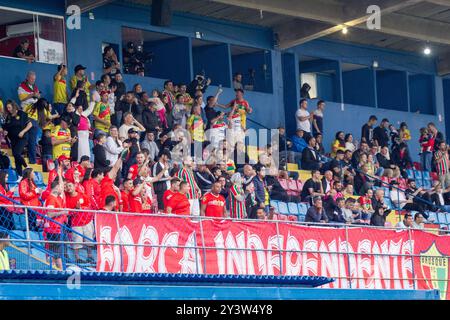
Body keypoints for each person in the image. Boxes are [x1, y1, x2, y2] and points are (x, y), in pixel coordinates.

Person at [65, 180, 94, 263]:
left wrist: (81, 209)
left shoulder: (82, 195)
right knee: (77, 240)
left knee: (89, 240)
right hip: (76, 223)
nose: (68, 188)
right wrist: (76, 209)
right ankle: (77, 258)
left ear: (74, 187)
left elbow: (89, 206)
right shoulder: (66, 198)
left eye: (70, 185)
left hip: (87, 221)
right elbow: (68, 213)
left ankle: (90, 256)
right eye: (67, 186)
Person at [1, 100, 32, 176]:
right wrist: (5, 132)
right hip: (13, 139)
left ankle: (26, 166)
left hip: (22, 138)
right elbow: (6, 128)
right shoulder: (8, 117)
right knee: (16, 157)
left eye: (9, 107)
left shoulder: (22, 114)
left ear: (13, 106)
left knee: (17, 153)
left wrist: (23, 132)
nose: (8, 109)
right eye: (7, 108)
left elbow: (30, 125)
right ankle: (20, 175)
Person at [44, 169, 67, 269]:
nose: (62, 189)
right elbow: (49, 214)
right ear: (55, 188)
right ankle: (60, 271)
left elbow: (61, 186)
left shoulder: (57, 198)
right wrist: (62, 212)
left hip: (57, 228)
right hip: (52, 229)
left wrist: (59, 174)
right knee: (55, 253)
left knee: (55, 252)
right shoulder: (51, 199)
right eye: (60, 187)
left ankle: (57, 270)